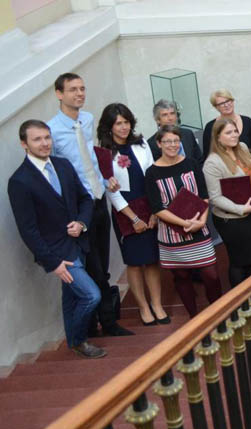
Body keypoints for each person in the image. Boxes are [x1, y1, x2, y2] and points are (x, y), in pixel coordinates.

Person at [9, 120, 105, 358]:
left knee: (71, 298)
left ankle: (75, 342)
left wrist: (81, 223)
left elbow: (85, 198)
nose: (44, 143)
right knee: (91, 295)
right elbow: (28, 230)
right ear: (24, 144)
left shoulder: (63, 165)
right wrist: (52, 263)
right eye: (37, 139)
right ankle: (79, 339)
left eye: (47, 137)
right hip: (58, 254)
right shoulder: (19, 181)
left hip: (79, 243)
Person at [48, 73, 131, 338]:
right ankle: (97, 324)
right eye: (73, 89)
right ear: (59, 94)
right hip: (77, 208)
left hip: (98, 200)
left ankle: (105, 322)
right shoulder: (51, 130)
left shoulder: (87, 119)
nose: (80, 93)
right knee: (91, 265)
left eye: (82, 88)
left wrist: (105, 179)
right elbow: (55, 172)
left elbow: (90, 160)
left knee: (102, 263)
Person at [97, 103, 166, 326]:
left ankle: (157, 304)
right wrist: (134, 218)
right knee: (135, 262)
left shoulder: (141, 144)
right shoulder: (104, 153)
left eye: (126, 122)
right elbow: (111, 191)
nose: (123, 127)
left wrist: (155, 211)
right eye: (118, 123)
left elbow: (153, 176)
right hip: (125, 212)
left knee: (152, 260)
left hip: (149, 205)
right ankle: (143, 307)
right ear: (109, 127)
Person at [145, 125, 223, 317]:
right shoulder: (152, 173)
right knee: (181, 276)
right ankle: (194, 317)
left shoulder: (192, 164)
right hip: (171, 235)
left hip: (198, 228)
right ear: (159, 144)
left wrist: (201, 222)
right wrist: (184, 223)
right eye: (167, 141)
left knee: (211, 275)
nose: (172, 145)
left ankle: (219, 313)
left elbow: (204, 195)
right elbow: (157, 208)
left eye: (176, 141)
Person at [202, 117, 251, 286]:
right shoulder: (212, 163)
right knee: (241, 261)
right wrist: (240, 209)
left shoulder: (243, 148)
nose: (234, 135)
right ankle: (241, 298)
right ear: (218, 137)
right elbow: (215, 197)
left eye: (235, 131)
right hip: (233, 220)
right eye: (228, 133)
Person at [202, 89, 251, 165]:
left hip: (248, 167)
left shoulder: (248, 122)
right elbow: (207, 154)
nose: (226, 105)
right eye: (221, 103)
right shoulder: (210, 127)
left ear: (232, 101)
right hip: (223, 169)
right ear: (216, 107)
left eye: (228, 101)